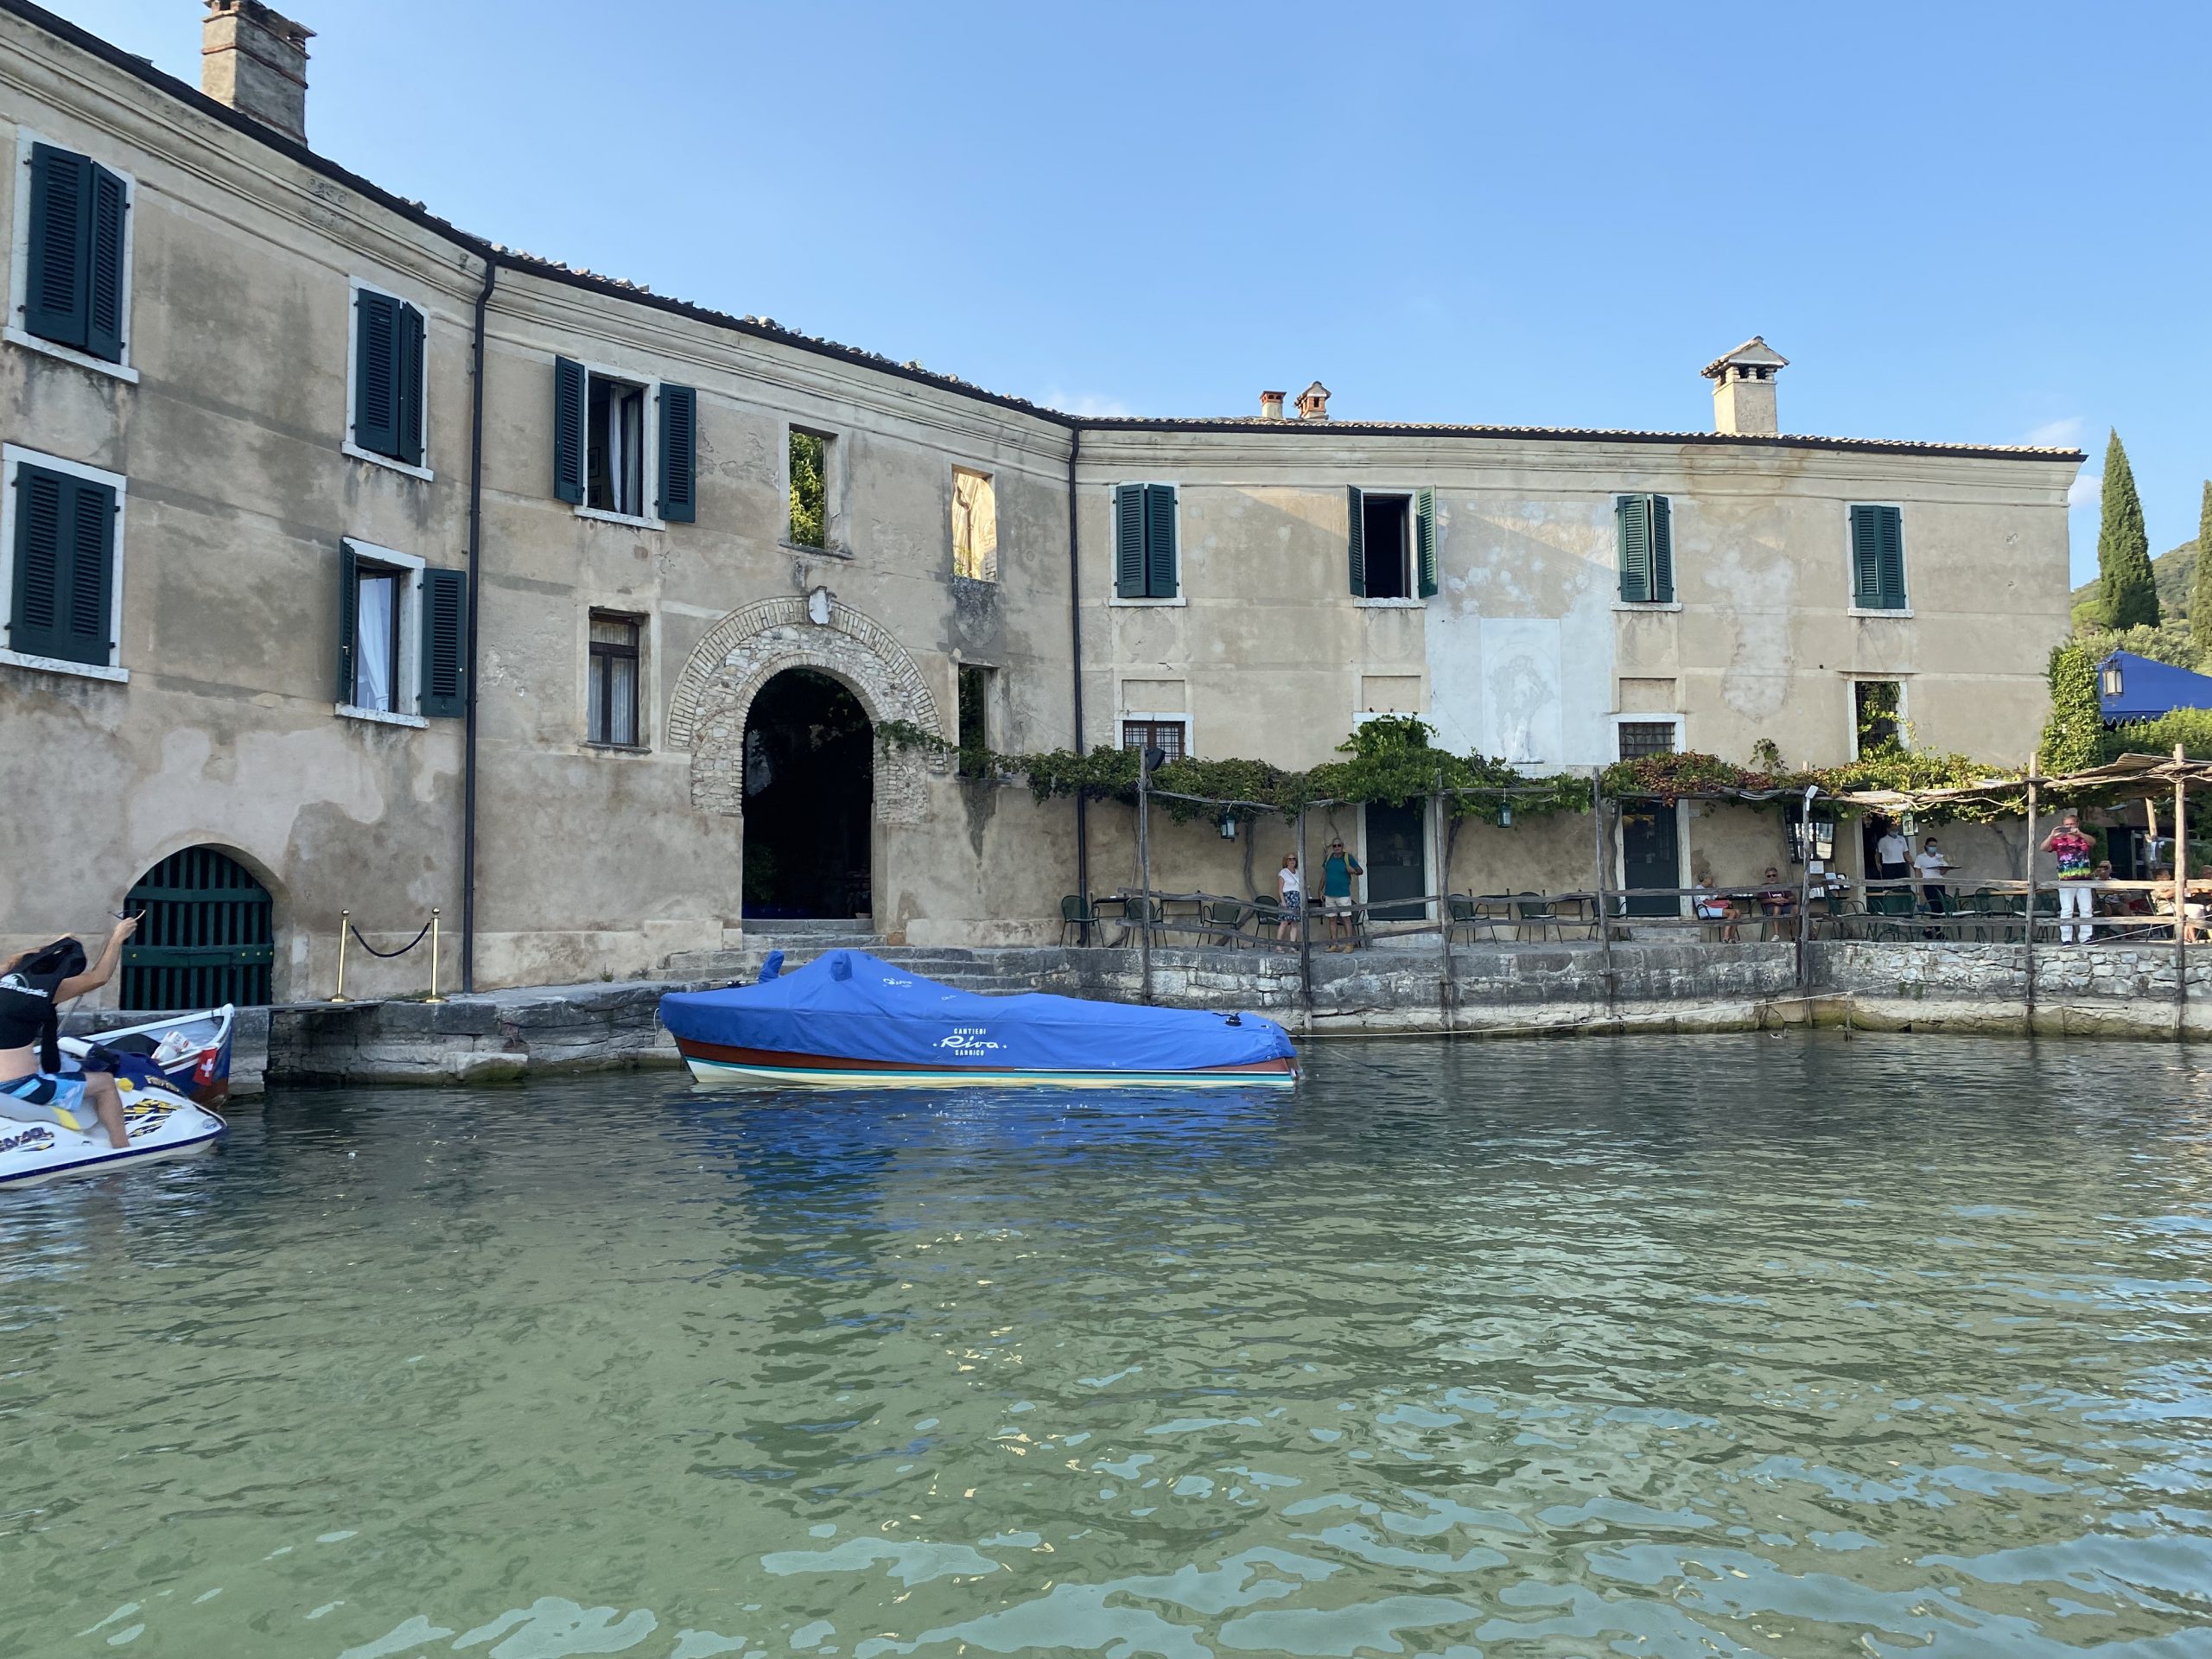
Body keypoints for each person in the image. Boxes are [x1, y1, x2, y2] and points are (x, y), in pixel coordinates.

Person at [0, 917, 139, 1150]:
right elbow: (99, 977)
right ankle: (122, 1147)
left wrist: (53, 946)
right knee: (105, 1083)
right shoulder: (42, 993)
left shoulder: (4, 979)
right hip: (20, 1087)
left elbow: (13, 962)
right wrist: (117, 938)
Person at [2042, 809, 2097, 943]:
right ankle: (2066, 939)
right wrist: (2052, 835)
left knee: (2086, 909)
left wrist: (2080, 833)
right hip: (2066, 879)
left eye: (2071, 824)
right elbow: (2043, 848)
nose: (2069, 827)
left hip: (2084, 878)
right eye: (2066, 825)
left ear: (2077, 824)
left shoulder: (2083, 838)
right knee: (2067, 909)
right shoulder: (2059, 840)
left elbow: (2093, 842)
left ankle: (2086, 937)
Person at [1320, 837, 1362, 952]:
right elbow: (1324, 875)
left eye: (1339, 845)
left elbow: (1360, 871)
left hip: (1343, 894)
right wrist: (1320, 890)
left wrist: (1354, 871)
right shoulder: (1329, 858)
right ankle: (1334, 945)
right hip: (1329, 894)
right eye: (1334, 846)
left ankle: (1350, 944)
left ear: (1342, 846)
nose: (1337, 847)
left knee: (1346, 918)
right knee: (1332, 919)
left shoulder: (1348, 857)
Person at [1913, 836, 1954, 925]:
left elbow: (1942, 872)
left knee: (1941, 907)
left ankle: (1932, 928)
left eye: (1935, 846)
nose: (1933, 848)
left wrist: (1947, 869)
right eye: (1931, 846)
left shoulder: (1940, 857)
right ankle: (1932, 927)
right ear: (1926, 846)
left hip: (1939, 883)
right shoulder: (1921, 857)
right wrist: (1919, 884)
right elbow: (1918, 871)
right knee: (1934, 906)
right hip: (1928, 884)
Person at [1692, 871, 1740, 943]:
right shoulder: (1699, 888)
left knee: (1738, 912)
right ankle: (1726, 937)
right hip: (1705, 911)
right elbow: (1707, 902)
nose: (1712, 880)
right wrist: (1724, 902)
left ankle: (1732, 937)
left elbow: (1719, 896)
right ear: (1706, 880)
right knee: (1732, 912)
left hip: (1711, 909)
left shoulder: (1709, 888)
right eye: (1711, 879)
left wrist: (1715, 888)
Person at [1874, 820, 1911, 889]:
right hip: (1888, 865)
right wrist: (1877, 863)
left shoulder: (1902, 839)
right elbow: (1878, 853)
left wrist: (1912, 863)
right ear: (1888, 829)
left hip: (1901, 864)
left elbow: (1905, 853)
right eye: (1893, 830)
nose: (1895, 831)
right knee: (1890, 887)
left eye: (1896, 830)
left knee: (1903, 886)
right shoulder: (1883, 840)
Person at [1274, 852, 1302, 944]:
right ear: (1286, 861)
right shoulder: (1283, 872)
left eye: (1294, 859)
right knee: (1284, 923)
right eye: (1289, 859)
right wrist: (1283, 902)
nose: (1292, 861)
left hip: (1296, 900)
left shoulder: (1298, 872)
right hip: (1287, 899)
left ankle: (1292, 946)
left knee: (1294, 924)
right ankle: (1278, 945)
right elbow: (1280, 889)